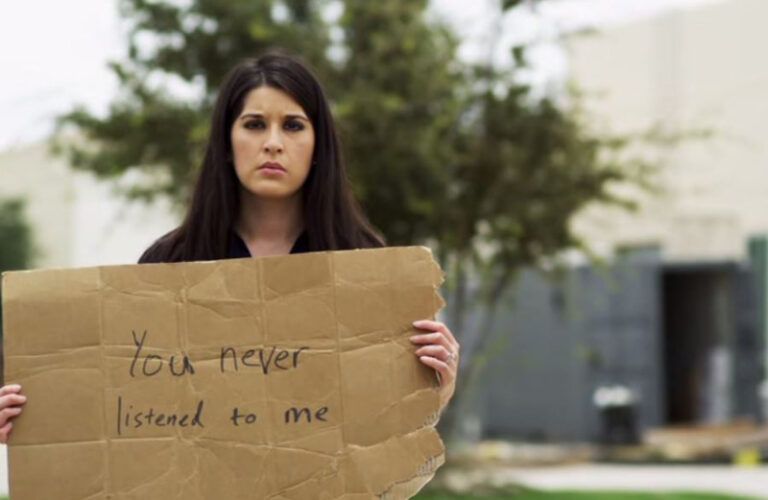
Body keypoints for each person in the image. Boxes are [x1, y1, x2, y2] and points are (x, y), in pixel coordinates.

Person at [0, 51, 459, 444]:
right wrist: (32, 415)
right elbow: (127, 412)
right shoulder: (168, 264)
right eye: (255, 124)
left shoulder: (368, 266)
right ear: (226, 141)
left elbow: (392, 439)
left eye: (294, 125)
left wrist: (435, 388)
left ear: (319, 145)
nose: (273, 143)